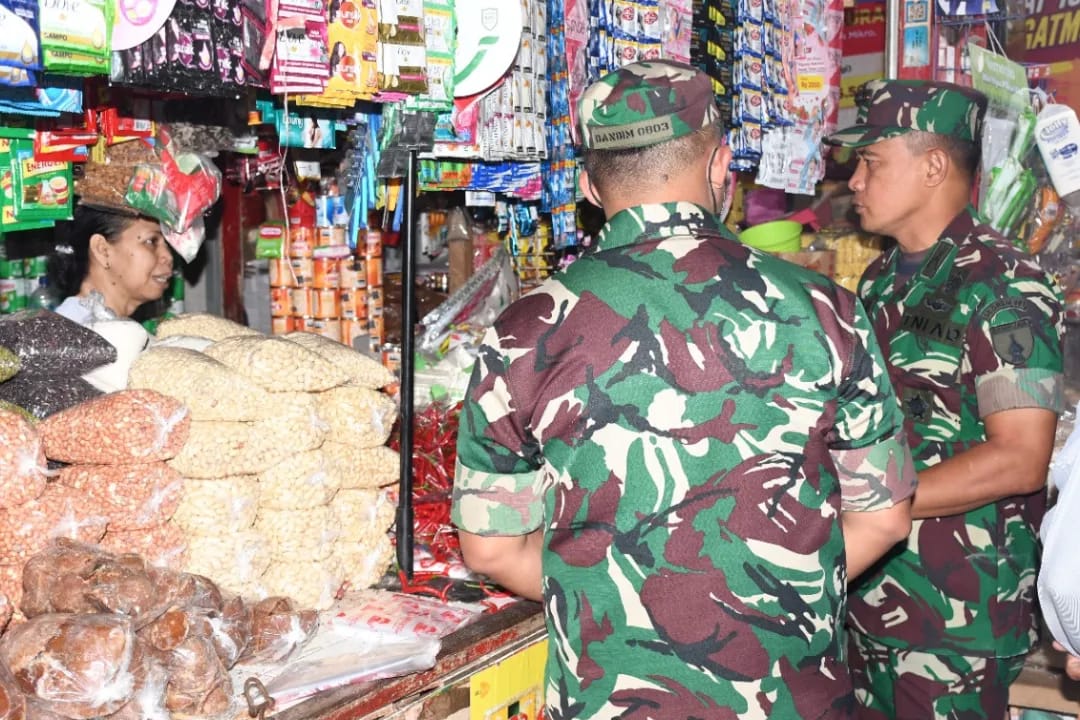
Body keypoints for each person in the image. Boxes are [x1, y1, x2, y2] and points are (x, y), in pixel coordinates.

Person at [451, 59, 918, 719]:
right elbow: (884, 515)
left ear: (587, 183)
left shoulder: (522, 333)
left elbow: (492, 547)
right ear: (721, 163)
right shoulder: (825, 309)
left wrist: (622, 600)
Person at [826, 79, 1065, 719]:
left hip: (958, 618)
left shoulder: (1003, 284)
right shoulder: (879, 279)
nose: (853, 181)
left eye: (871, 161)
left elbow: (1019, 457)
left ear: (934, 166)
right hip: (874, 598)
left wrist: (866, 499)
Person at [49, 204, 174, 324]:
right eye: (151, 241)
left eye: (167, 245)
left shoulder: (121, 332)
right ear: (102, 250)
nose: (168, 257)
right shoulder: (69, 336)